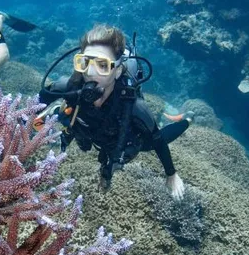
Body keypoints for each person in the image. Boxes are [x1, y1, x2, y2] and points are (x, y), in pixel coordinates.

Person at [38, 24, 189, 198]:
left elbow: (158, 140)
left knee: (149, 143)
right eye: (85, 62)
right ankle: (60, 112)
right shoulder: (68, 87)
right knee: (70, 119)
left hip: (118, 137)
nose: (90, 73)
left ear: (117, 71)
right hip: (85, 128)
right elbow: (39, 99)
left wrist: (171, 174)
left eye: (102, 65)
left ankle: (188, 120)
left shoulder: (135, 108)